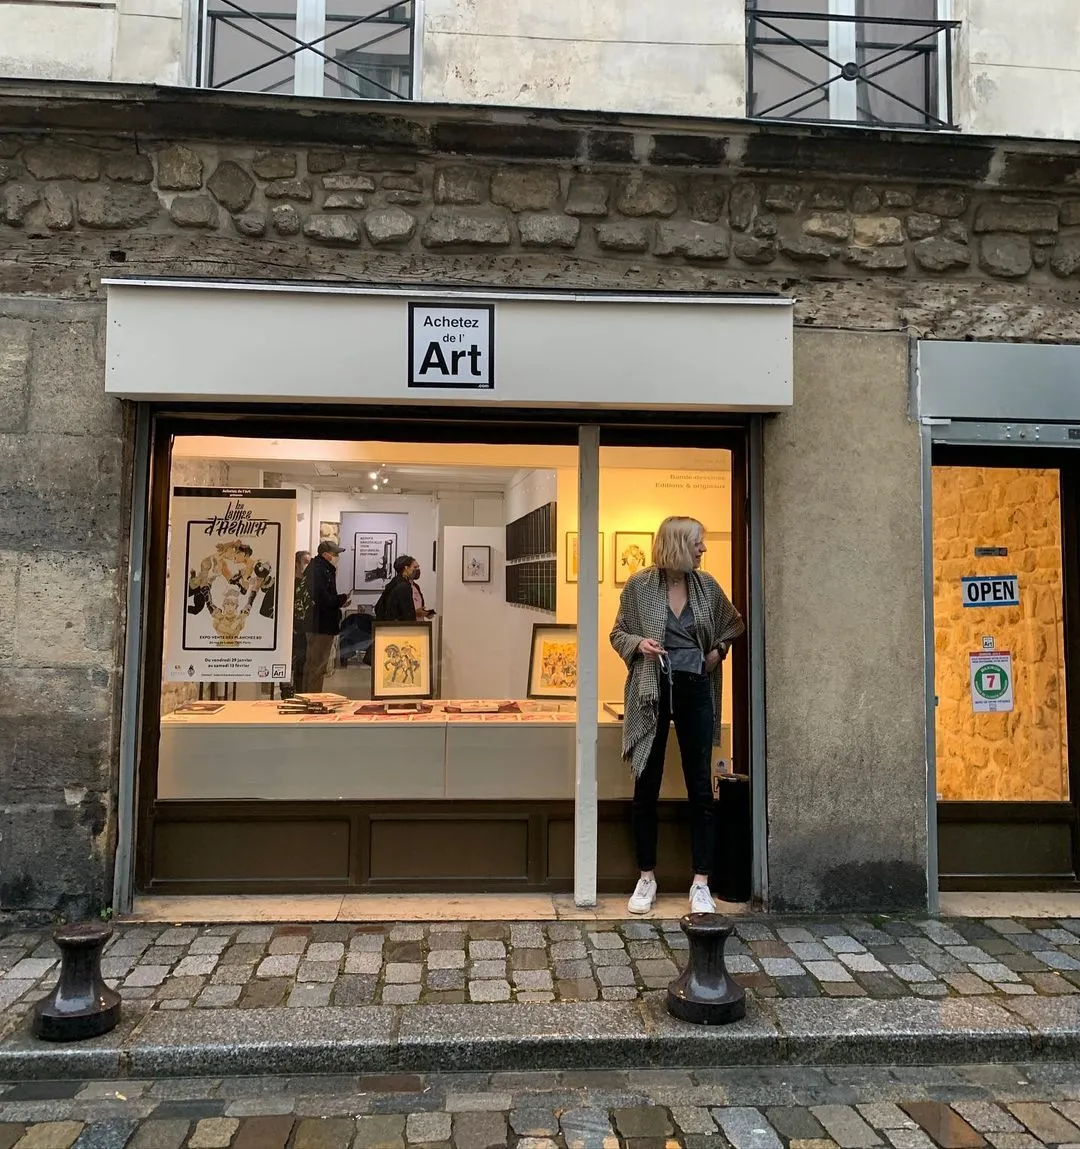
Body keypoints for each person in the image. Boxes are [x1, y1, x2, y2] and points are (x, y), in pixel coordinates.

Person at [610, 516, 745, 917]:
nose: (704, 549)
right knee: (646, 785)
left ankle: (701, 881)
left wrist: (717, 652)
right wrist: (639, 644)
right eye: (698, 542)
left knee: (700, 786)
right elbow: (618, 633)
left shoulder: (706, 586)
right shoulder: (639, 586)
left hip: (694, 688)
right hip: (652, 688)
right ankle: (646, 877)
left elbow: (733, 624)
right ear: (678, 545)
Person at [303, 540, 348, 694]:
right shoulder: (320, 571)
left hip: (318, 623)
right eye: (335, 554)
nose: (337, 557)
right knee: (317, 666)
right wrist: (341, 599)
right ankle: (312, 698)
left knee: (313, 665)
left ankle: (308, 696)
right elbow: (323, 598)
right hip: (321, 625)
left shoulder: (319, 568)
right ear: (326, 554)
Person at [281, 550, 311, 698]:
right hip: (288, 627)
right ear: (296, 564)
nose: (308, 565)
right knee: (287, 659)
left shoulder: (308, 584)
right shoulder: (287, 584)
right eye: (306, 562)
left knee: (301, 660)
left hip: (304, 628)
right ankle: (286, 690)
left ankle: (299, 691)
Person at [375, 555, 428, 622]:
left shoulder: (413, 586)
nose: (417, 570)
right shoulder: (401, 586)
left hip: (415, 624)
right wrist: (415, 613)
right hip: (401, 626)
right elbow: (403, 614)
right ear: (406, 568)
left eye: (418, 567)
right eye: (415, 567)